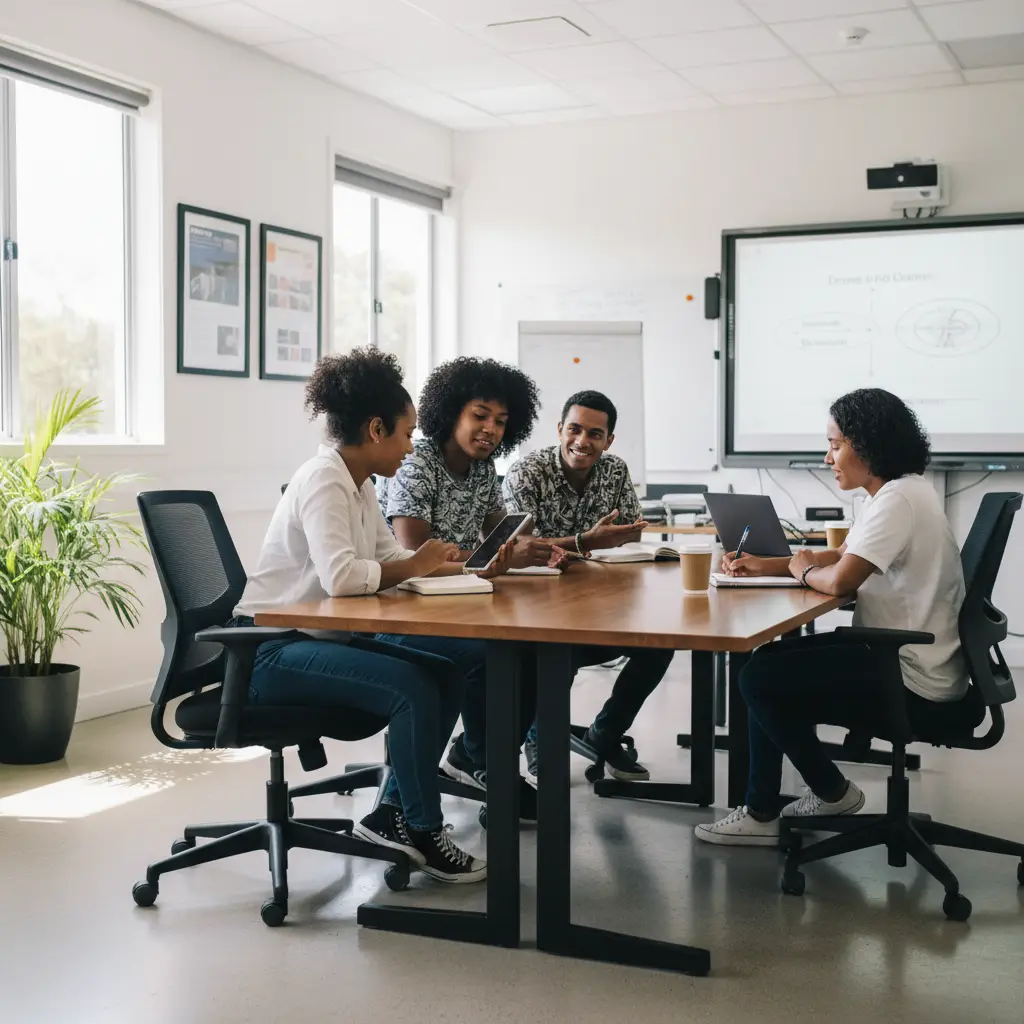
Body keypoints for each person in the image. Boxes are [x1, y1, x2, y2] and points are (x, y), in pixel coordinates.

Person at [232, 348, 513, 883]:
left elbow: (387, 561)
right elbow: (341, 577)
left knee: (446, 672)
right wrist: (416, 563)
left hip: (317, 638)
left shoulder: (357, 483)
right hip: (267, 649)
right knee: (412, 685)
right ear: (376, 428)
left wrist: (434, 566)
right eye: (406, 435)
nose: (411, 447)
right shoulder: (324, 479)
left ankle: (392, 815)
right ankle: (423, 830)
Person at [696, 388, 985, 847]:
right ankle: (769, 806)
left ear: (867, 445)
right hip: (912, 657)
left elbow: (840, 581)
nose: (827, 456)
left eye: (835, 444)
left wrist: (803, 568)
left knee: (758, 677)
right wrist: (770, 563)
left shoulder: (897, 501)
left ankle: (814, 797)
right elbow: (844, 553)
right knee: (763, 664)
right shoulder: (898, 492)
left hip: (910, 677)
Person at [377, 357, 560, 817]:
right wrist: (500, 560)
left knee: (533, 650)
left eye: (501, 421)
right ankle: (486, 764)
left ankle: (483, 760)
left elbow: (501, 533)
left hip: (452, 600)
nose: (491, 430)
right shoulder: (416, 463)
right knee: (494, 654)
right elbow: (413, 558)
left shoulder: (482, 469)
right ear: (451, 411)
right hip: (398, 605)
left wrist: (540, 548)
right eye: (480, 416)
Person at [503, 389, 674, 781]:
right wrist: (585, 542)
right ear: (560, 428)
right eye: (575, 429)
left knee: (661, 643)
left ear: (608, 440)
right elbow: (521, 548)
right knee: (554, 653)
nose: (583, 441)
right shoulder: (526, 472)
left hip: (600, 599)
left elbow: (629, 536)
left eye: (595, 434)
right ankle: (538, 738)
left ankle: (605, 733)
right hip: (538, 607)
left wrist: (582, 547)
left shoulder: (615, 471)